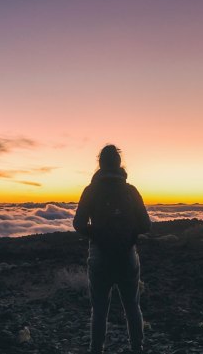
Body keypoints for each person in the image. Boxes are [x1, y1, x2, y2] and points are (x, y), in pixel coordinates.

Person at [73, 144, 151, 354]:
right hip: (127, 255)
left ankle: (96, 350)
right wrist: (129, 235)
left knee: (99, 310)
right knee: (132, 307)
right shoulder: (130, 191)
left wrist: (97, 235)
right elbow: (146, 225)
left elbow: (78, 224)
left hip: (99, 256)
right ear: (118, 165)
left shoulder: (91, 191)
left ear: (100, 164)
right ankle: (137, 348)